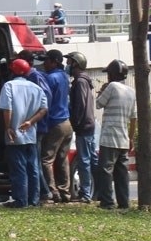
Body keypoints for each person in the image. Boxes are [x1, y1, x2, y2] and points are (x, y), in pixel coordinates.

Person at [0, 58, 47, 208]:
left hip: (15, 136)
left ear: (12, 71)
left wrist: (8, 127)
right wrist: (31, 122)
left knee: (19, 168)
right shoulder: (36, 88)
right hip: (30, 134)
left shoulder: (9, 85)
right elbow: (44, 109)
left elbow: (8, 108)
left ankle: (21, 200)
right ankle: (34, 200)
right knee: (33, 168)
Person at [94, 59, 137, 210]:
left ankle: (107, 202)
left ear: (111, 75)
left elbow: (99, 104)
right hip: (124, 138)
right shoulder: (131, 91)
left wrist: (101, 90)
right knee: (122, 173)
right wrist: (131, 138)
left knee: (105, 170)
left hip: (109, 137)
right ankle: (124, 203)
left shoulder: (111, 87)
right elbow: (133, 118)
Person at [37, 49, 73, 203]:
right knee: (62, 159)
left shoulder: (50, 79)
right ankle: (65, 192)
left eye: (47, 61)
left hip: (55, 123)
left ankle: (52, 192)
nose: (44, 64)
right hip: (67, 122)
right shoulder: (64, 76)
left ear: (54, 62)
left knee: (46, 159)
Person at [17, 49, 52, 202]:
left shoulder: (34, 77)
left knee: (34, 161)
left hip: (37, 124)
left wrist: (35, 117)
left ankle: (43, 193)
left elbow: (46, 98)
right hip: (31, 124)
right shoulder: (30, 77)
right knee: (33, 160)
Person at [64, 51, 97, 204]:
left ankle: (86, 194)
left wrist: (75, 122)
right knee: (91, 160)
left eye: (70, 62)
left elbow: (80, 105)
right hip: (87, 125)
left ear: (76, 63)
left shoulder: (80, 82)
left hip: (83, 126)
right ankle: (99, 191)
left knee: (84, 161)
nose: (67, 65)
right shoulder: (82, 81)